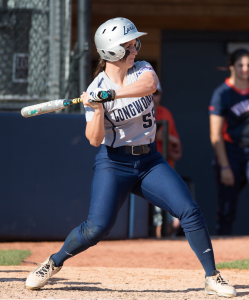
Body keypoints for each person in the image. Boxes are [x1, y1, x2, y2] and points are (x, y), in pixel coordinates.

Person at [26, 17, 236, 297]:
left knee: (189, 210)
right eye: (129, 44)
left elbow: (149, 85)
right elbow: (94, 139)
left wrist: (111, 94)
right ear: (112, 51)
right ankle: (53, 263)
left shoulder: (143, 70)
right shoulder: (95, 87)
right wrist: (97, 107)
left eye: (135, 42)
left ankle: (212, 276)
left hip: (150, 162)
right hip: (114, 163)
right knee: (96, 228)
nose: (136, 47)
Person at [209, 48, 249, 236]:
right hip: (230, 152)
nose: (245, 69)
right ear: (232, 66)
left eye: (248, 65)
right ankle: (223, 248)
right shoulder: (222, 93)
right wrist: (225, 167)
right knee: (226, 207)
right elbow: (215, 134)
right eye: (241, 65)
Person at [153, 82, 182, 237]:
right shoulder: (135, 113)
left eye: (156, 92)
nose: (152, 96)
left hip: (165, 173)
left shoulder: (166, 113)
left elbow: (177, 147)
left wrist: (166, 139)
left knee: (176, 221)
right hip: (143, 175)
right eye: (148, 92)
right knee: (154, 221)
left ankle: (163, 252)